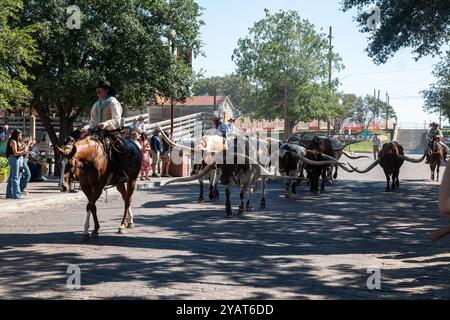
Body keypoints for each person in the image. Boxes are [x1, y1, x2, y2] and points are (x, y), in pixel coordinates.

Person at [88, 80, 128, 184]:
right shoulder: (96, 104)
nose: (97, 91)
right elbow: (92, 120)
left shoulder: (113, 102)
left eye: (100, 89)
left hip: (111, 133)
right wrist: (89, 127)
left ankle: (121, 173)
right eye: (97, 89)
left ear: (106, 90)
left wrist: (105, 124)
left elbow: (116, 120)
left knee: (116, 150)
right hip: (97, 133)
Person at [5, 129, 27, 199]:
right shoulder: (13, 141)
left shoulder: (14, 141)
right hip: (14, 159)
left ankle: (9, 193)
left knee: (12, 177)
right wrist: (23, 151)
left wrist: (23, 147)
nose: (20, 136)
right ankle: (17, 195)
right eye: (19, 135)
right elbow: (15, 153)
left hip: (13, 159)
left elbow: (18, 150)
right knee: (16, 177)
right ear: (16, 135)